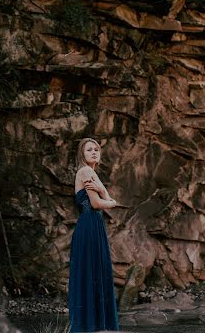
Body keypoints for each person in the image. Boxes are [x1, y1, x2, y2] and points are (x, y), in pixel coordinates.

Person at [69, 137, 119, 333]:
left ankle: (92, 324)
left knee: (91, 272)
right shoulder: (86, 171)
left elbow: (102, 197)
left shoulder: (90, 172)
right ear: (82, 154)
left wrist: (105, 194)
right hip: (90, 224)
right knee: (93, 272)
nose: (93, 152)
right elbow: (98, 204)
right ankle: (94, 326)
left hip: (91, 225)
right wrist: (111, 201)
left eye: (96, 149)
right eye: (89, 149)